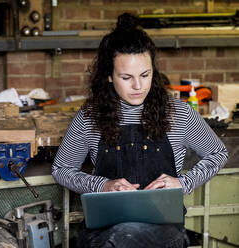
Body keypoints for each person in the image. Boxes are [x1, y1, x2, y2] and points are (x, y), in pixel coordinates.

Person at [52, 13, 228, 248]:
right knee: (119, 236)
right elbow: (61, 169)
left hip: (163, 231)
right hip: (104, 230)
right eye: (126, 77)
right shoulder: (89, 117)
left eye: (145, 75)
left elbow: (218, 152)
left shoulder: (177, 113)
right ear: (109, 76)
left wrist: (184, 183)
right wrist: (101, 185)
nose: (138, 86)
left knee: (129, 235)